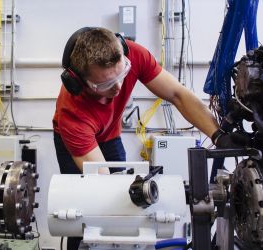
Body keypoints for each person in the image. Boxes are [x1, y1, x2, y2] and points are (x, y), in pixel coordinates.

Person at [52, 27, 229, 250]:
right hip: (75, 141)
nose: (118, 88)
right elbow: (103, 187)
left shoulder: (134, 54)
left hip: (110, 134)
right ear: (79, 83)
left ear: (124, 55)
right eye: (105, 85)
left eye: (122, 74)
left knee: (127, 199)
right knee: (87, 208)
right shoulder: (72, 113)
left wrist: (219, 135)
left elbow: (177, 94)